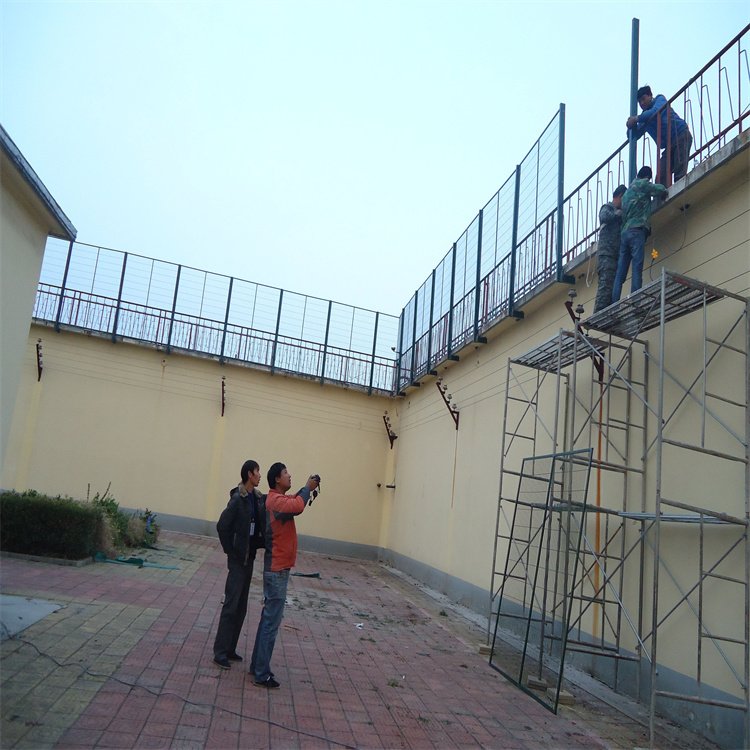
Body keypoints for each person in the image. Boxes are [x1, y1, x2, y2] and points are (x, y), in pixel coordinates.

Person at [250, 462, 319, 688]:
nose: (290, 475)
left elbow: (295, 501)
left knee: (267, 620)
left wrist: (305, 489)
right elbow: (297, 505)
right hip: (276, 570)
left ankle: (257, 666)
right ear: (277, 479)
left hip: (278, 568)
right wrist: (308, 488)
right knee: (271, 623)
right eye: (286, 473)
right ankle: (261, 673)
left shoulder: (278, 499)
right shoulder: (275, 501)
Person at [212, 459, 265, 669]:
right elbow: (222, 526)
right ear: (249, 474)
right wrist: (230, 550)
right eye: (257, 472)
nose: (260, 475)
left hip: (248, 558)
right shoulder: (238, 499)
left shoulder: (256, 498)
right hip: (237, 560)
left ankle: (230, 648)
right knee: (231, 605)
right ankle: (220, 652)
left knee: (241, 606)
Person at [611, 166, 667, 303]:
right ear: (647, 177)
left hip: (625, 233)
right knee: (637, 267)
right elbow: (659, 189)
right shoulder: (642, 184)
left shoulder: (626, 193)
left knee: (620, 273)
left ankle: (614, 304)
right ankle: (636, 302)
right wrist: (664, 189)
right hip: (637, 231)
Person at [626, 85, 693, 187]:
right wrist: (630, 126)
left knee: (679, 171)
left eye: (643, 99)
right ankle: (664, 195)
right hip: (669, 145)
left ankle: (681, 192)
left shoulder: (659, 99)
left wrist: (636, 119)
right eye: (639, 102)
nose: (642, 103)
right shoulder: (644, 117)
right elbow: (633, 135)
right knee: (661, 176)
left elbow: (655, 111)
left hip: (680, 135)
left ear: (650, 96)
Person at [593, 184, 627, 313]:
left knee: (612, 285)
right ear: (620, 196)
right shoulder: (607, 207)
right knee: (605, 284)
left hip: (614, 254)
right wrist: (618, 214)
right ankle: (599, 313)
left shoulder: (617, 213)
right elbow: (604, 217)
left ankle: (608, 312)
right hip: (606, 254)